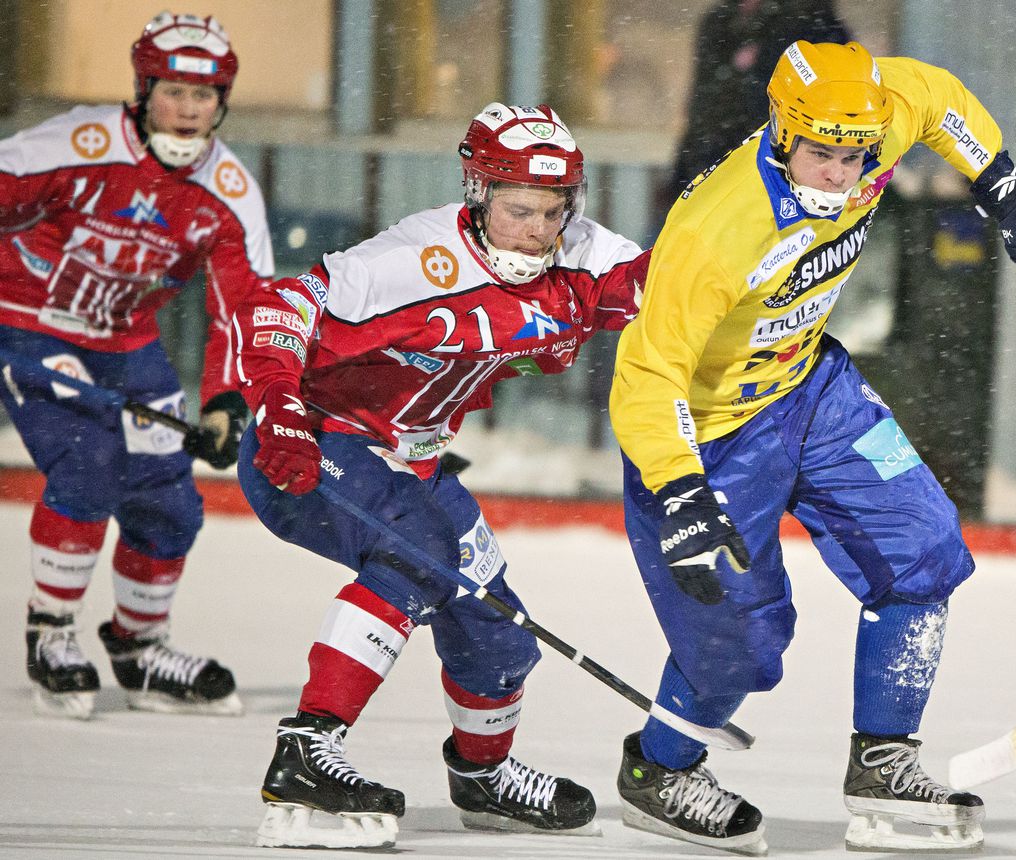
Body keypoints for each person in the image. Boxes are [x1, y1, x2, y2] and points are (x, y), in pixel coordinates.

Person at [608, 40, 1016, 854]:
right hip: (706, 437)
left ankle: (884, 759)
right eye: (822, 155)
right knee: (738, 648)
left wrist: (999, 181)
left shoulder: (871, 112)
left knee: (921, 546)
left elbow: (939, 94)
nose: (842, 175)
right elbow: (649, 371)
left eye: (857, 155)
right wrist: (678, 489)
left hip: (813, 391)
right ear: (783, 131)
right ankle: (659, 769)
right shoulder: (717, 230)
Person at [235, 103, 649, 850]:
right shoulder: (416, 259)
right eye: (519, 209)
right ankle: (306, 749)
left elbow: (666, 286)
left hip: (413, 462)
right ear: (478, 192)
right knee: (415, 551)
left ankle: (484, 777)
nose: (537, 229)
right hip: (316, 444)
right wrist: (279, 411)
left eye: (554, 211)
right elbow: (276, 307)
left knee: (498, 630)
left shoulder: (579, 253)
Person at [0, 11, 271, 720]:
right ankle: (51, 632)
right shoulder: (79, 141)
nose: (187, 110)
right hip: (30, 325)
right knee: (89, 464)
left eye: (204, 95)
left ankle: (139, 648)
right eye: (173, 91)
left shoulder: (230, 192)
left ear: (223, 102)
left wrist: (226, 400)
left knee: (170, 502)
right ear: (143, 89)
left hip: (127, 343)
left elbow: (243, 308)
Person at [665, 0, 851, 205]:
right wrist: (680, 178)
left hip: (772, 173)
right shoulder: (719, 20)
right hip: (712, 167)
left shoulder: (809, 22)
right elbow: (700, 105)